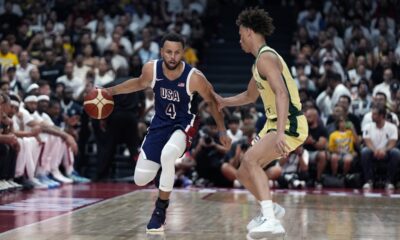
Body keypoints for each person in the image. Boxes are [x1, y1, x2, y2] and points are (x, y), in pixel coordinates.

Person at [104, 32, 231, 233]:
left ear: (183, 53)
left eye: (177, 52)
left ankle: (160, 210)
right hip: (159, 124)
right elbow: (137, 83)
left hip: (184, 123)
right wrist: (110, 91)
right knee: (140, 179)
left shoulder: (194, 77)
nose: (172, 57)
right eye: (168, 52)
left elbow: (212, 103)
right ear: (161, 51)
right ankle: (163, 176)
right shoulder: (151, 69)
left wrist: (222, 130)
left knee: (168, 155)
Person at [214, 8, 308, 239]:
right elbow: (249, 96)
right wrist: (224, 101)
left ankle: (271, 220)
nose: (239, 40)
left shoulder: (267, 57)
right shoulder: (258, 63)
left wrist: (279, 134)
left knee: (250, 159)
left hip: (288, 122)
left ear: (248, 31)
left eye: (240, 35)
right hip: (274, 123)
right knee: (243, 171)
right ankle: (272, 210)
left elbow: (282, 93)